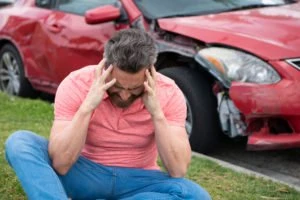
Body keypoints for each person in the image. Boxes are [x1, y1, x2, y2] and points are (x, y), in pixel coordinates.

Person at [5, 29, 211, 200]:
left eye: (135, 89)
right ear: (106, 66)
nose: (124, 94)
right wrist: (88, 106)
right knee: (20, 142)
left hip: (138, 180)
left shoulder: (169, 92)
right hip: (84, 173)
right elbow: (60, 163)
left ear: (150, 72)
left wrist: (157, 113)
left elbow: (177, 170)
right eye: (118, 86)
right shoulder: (76, 83)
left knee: (195, 196)